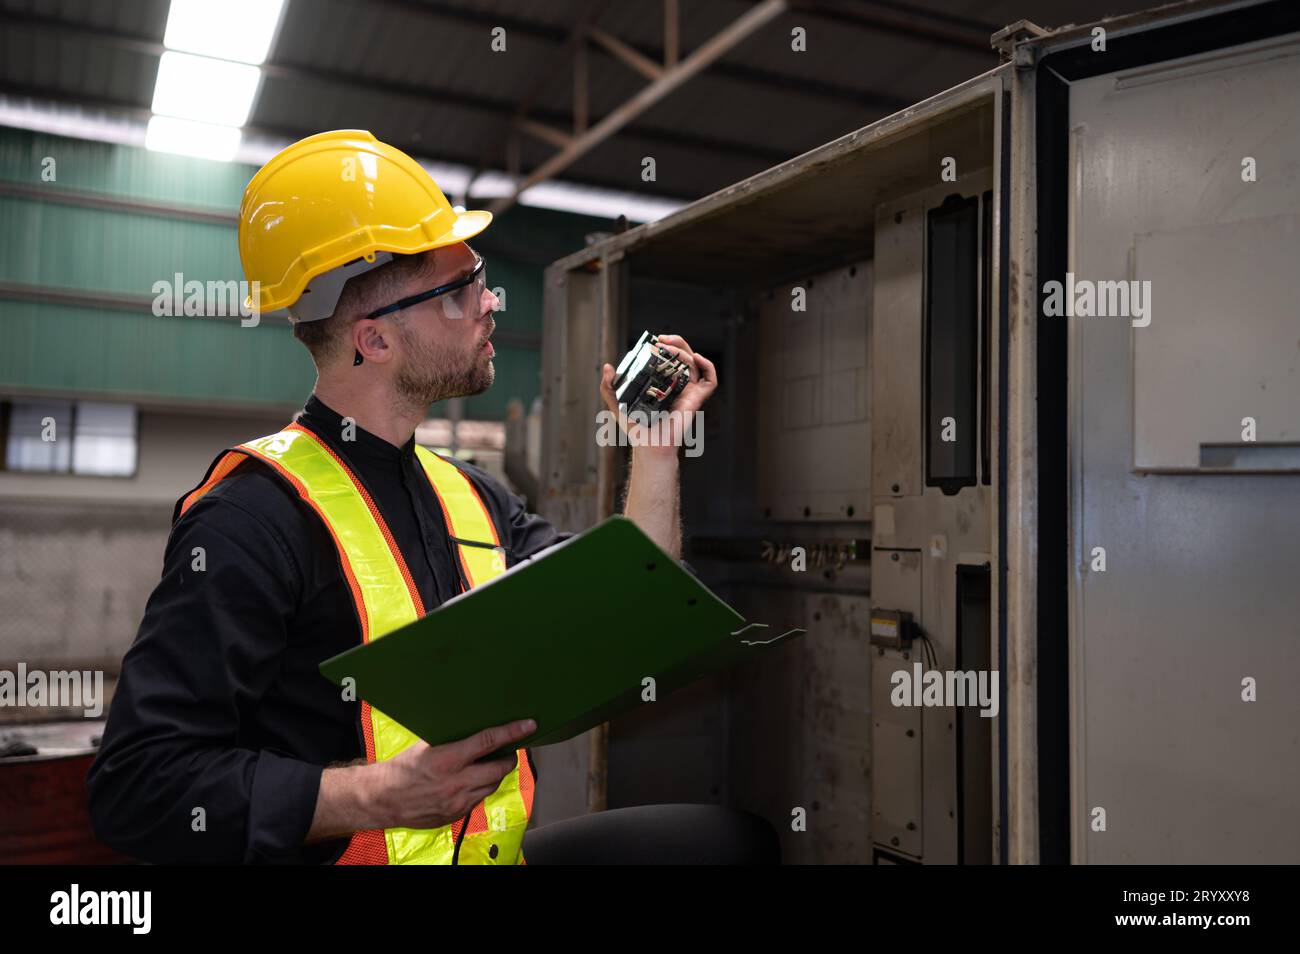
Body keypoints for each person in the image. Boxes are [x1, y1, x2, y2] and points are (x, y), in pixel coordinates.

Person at [86, 130, 777, 865]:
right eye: (460, 289)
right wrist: (378, 795)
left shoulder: (471, 498)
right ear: (375, 341)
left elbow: (635, 599)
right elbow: (134, 786)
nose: (490, 302)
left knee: (728, 844)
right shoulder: (250, 521)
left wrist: (657, 442)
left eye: (478, 276)